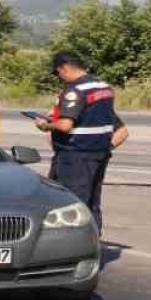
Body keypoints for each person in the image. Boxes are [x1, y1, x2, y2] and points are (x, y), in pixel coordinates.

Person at [35, 51, 123, 235]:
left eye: (58, 73)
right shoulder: (103, 88)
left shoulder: (74, 90)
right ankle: (93, 241)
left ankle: (72, 247)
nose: (60, 78)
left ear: (64, 68)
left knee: (70, 205)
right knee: (92, 201)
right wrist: (104, 148)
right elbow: (122, 131)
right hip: (98, 155)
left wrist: (46, 125)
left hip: (75, 157)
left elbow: (65, 125)